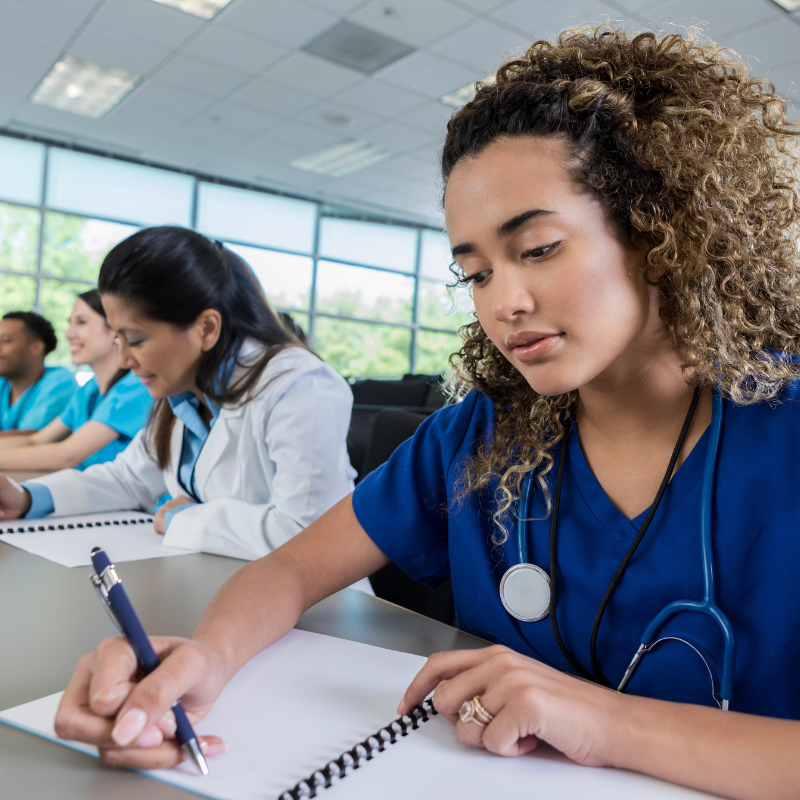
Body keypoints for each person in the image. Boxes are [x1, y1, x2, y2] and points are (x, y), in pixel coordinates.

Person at [24, 26, 800, 799]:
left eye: (536, 249)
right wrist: (206, 659)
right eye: (475, 273)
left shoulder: (782, 428)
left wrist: (607, 722)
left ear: (661, 233)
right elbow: (292, 570)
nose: (505, 303)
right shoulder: (484, 434)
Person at [0, 226, 357, 561]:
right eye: (118, 339)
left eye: (136, 340)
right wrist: (28, 498)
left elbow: (309, 535)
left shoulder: (299, 385)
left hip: (314, 613)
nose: (125, 358)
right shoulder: (180, 394)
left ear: (206, 327)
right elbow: (128, 479)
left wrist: (184, 519)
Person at [0, 290, 152, 471]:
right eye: (70, 323)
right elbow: (37, 440)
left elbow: (66, 455)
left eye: (81, 322)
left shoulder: (136, 386)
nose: (68, 334)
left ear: (115, 328)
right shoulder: (89, 390)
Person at [0, 311, 76, 434]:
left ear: (36, 348)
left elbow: (30, 440)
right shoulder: (3, 384)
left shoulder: (60, 383)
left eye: (5, 341)